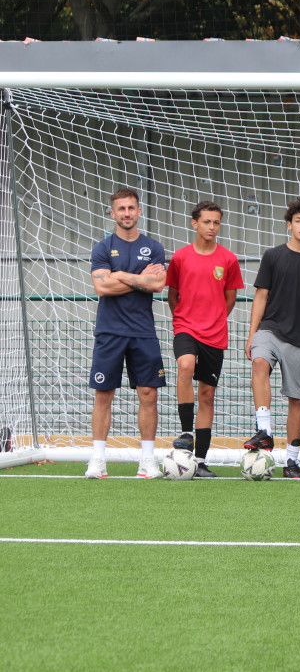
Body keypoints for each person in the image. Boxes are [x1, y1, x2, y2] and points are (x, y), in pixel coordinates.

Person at [85, 188, 168, 479]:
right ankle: (98, 460)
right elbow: (102, 287)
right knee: (103, 394)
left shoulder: (154, 248)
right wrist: (140, 279)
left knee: (148, 394)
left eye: (131, 208)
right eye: (121, 209)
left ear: (139, 211)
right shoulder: (102, 248)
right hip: (109, 331)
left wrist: (119, 275)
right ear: (113, 213)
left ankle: (147, 461)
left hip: (143, 331)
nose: (127, 213)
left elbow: (158, 285)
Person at [244, 198, 300, 478]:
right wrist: (252, 335)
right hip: (269, 330)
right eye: (298, 220)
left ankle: (291, 461)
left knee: (297, 400)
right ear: (289, 224)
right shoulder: (273, 256)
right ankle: (264, 431)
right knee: (259, 363)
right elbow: (261, 296)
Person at [165, 200, 244, 478]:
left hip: (215, 333)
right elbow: (172, 295)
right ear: (195, 223)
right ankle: (186, 432)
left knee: (207, 395)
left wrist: (213, 318)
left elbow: (230, 299)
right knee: (185, 365)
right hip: (185, 327)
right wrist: (183, 320)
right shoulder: (180, 257)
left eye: (216, 222)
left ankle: (199, 461)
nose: (212, 227)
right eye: (207, 222)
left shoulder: (228, 259)